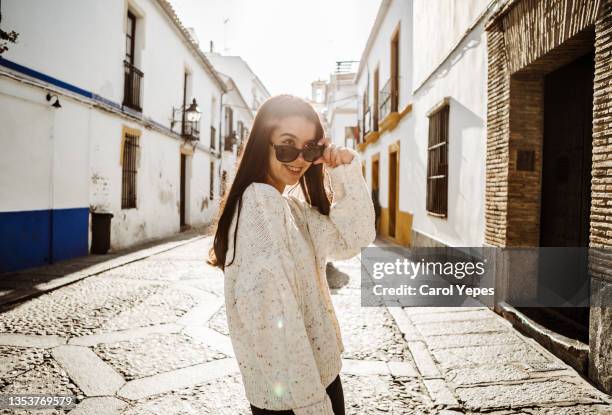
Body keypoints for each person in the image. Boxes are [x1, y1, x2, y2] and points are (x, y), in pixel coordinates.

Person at [207, 94, 376, 414]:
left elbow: (353, 238)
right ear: (262, 145)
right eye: (286, 146)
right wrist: (313, 405)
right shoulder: (260, 204)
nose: (299, 158)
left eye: (310, 148)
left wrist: (343, 169)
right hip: (298, 396)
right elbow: (273, 318)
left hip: (312, 381)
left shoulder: (290, 208)